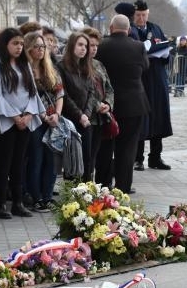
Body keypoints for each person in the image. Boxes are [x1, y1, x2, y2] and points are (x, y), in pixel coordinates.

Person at [0, 27, 45, 219]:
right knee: (5, 162)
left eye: (21, 44)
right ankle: (0, 204)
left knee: (20, 162)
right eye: (15, 44)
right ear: (5, 44)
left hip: (25, 119)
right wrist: (14, 117)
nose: (19, 47)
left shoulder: (24, 63)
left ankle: (17, 203)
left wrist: (28, 114)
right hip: (5, 121)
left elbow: (32, 91)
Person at [95, 14, 149, 193]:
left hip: (107, 104)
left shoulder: (101, 46)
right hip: (134, 104)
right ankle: (123, 186)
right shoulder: (138, 46)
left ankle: (103, 184)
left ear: (111, 28)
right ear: (129, 30)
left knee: (105, 146)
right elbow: (145, 67)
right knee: (127, 148)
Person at [131, 0, 172, 171]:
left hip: (157, 78)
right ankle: (137, 158)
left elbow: (164, 48)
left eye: (144, 15)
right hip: (141, 79)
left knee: (158, 117)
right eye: (138, 15)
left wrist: (165, 53)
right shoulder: (130, 30)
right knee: (140, 118)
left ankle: (155, 157)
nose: (141, 18)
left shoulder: (156, 28)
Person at [24, 31, 63, 212]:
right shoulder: (24, 70)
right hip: (35, 121)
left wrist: (57, 114)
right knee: (36, 159)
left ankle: (47, 196)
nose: (40, 50)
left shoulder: (50, 68)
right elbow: (25, 97)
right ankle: (36, 197)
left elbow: (60, 93)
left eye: (43, 47)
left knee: (52, 160)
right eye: (36, 47)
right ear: (29, 49)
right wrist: (43, 116)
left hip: (52, 120)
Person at [57, 32, 95, 182]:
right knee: (73, 159)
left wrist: (86, 113)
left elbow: (92, 92)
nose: (83, 49)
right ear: (72, 45)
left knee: (87, 157)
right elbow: (64, 95)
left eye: (85, 46)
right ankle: (72, 196)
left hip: (86, 119)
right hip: (70, 119)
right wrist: (80, 115)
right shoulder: (61, 67)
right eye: (80, 45)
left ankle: (86, 192)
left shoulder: (86, 66)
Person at [82, 27, 115, 184]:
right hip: (86, 117)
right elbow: (82, 92)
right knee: (86, 157)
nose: (94, 48)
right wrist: (96, 105)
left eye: (96, 45)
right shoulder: (78, 65)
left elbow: (109, 87)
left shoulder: (99, 64)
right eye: (91, 45)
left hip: (101, 118)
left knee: (95, 155)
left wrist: (108, 104)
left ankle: (91, 186)